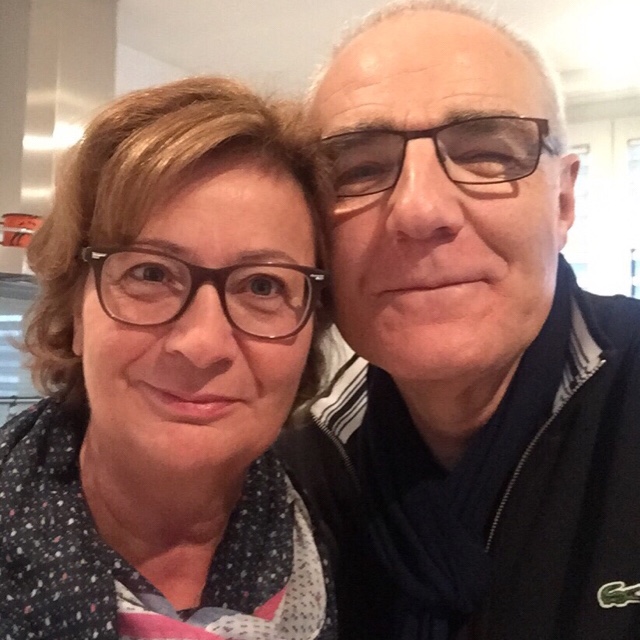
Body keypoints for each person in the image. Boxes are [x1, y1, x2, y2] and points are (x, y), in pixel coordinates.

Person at [278, 1, 640, 639]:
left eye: (485, 155)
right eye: (361, 170)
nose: (419, 212)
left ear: (563, 200)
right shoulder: (295, 476)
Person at [0, 76, 338, 640]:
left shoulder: (351, 536)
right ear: (75, 311)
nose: (202, 344)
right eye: (150, 273)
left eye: (262, 286)